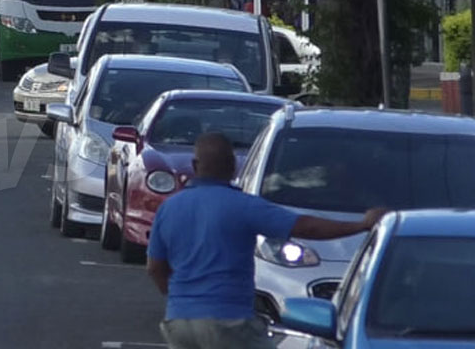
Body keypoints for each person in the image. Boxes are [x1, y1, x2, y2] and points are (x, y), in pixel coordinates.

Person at [146, 133, 387, 349]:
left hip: (180, 322)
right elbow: (306, 227)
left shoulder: (169, 208)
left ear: (195, 165)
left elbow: (155, 268)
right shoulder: (243, 206)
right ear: (232, 167)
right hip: (229, 321)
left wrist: (180, 299)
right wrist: (361, 225)